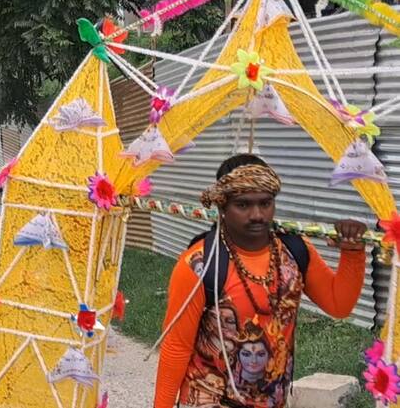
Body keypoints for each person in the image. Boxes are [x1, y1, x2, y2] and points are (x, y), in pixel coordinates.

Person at [154, 154, 369, 408]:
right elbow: (176, 347)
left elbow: (339, 305)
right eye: (243, 205)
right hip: (209, 399)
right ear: (222, 206)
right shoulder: (198, 264)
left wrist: (352, 253)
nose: (257, 215)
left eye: (265, 203)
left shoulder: (295, 251)